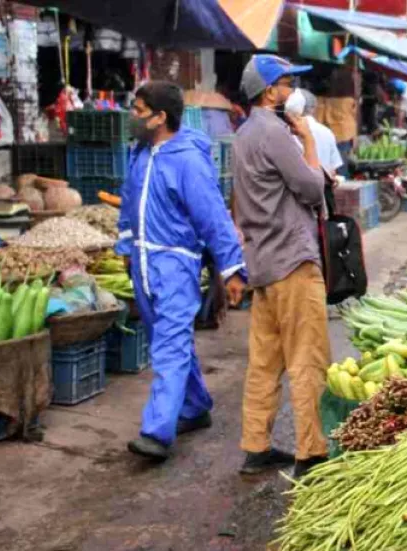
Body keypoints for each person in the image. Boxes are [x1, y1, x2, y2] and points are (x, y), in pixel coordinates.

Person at [117, 81, 246, 461]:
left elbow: (213, 218)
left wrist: (233, 268)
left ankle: (157, 432)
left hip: (175, 265)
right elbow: (129, 201)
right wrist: (126, 246)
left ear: (160, 117)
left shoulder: (188, 161)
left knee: (169, 345)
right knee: (168, 337)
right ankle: (194, 406)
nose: (133, 117)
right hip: (143, 263)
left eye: (139, 110)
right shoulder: (141, 152)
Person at [232, 55, 333, 478]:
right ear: (270, 91)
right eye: (288, 84)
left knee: (265, 361)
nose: (293, 92)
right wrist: (308, 139)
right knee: (307, 358)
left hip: (263, 263)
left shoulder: (242, 134)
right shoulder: (275, 132)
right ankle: (310, 453)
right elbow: (311, 187)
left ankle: (256, 446)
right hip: (293, 262)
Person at [300, 89, 345, 178]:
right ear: (313, 109)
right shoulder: (327, 132)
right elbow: (333, 170)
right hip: (324, 185)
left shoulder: (288, 131)